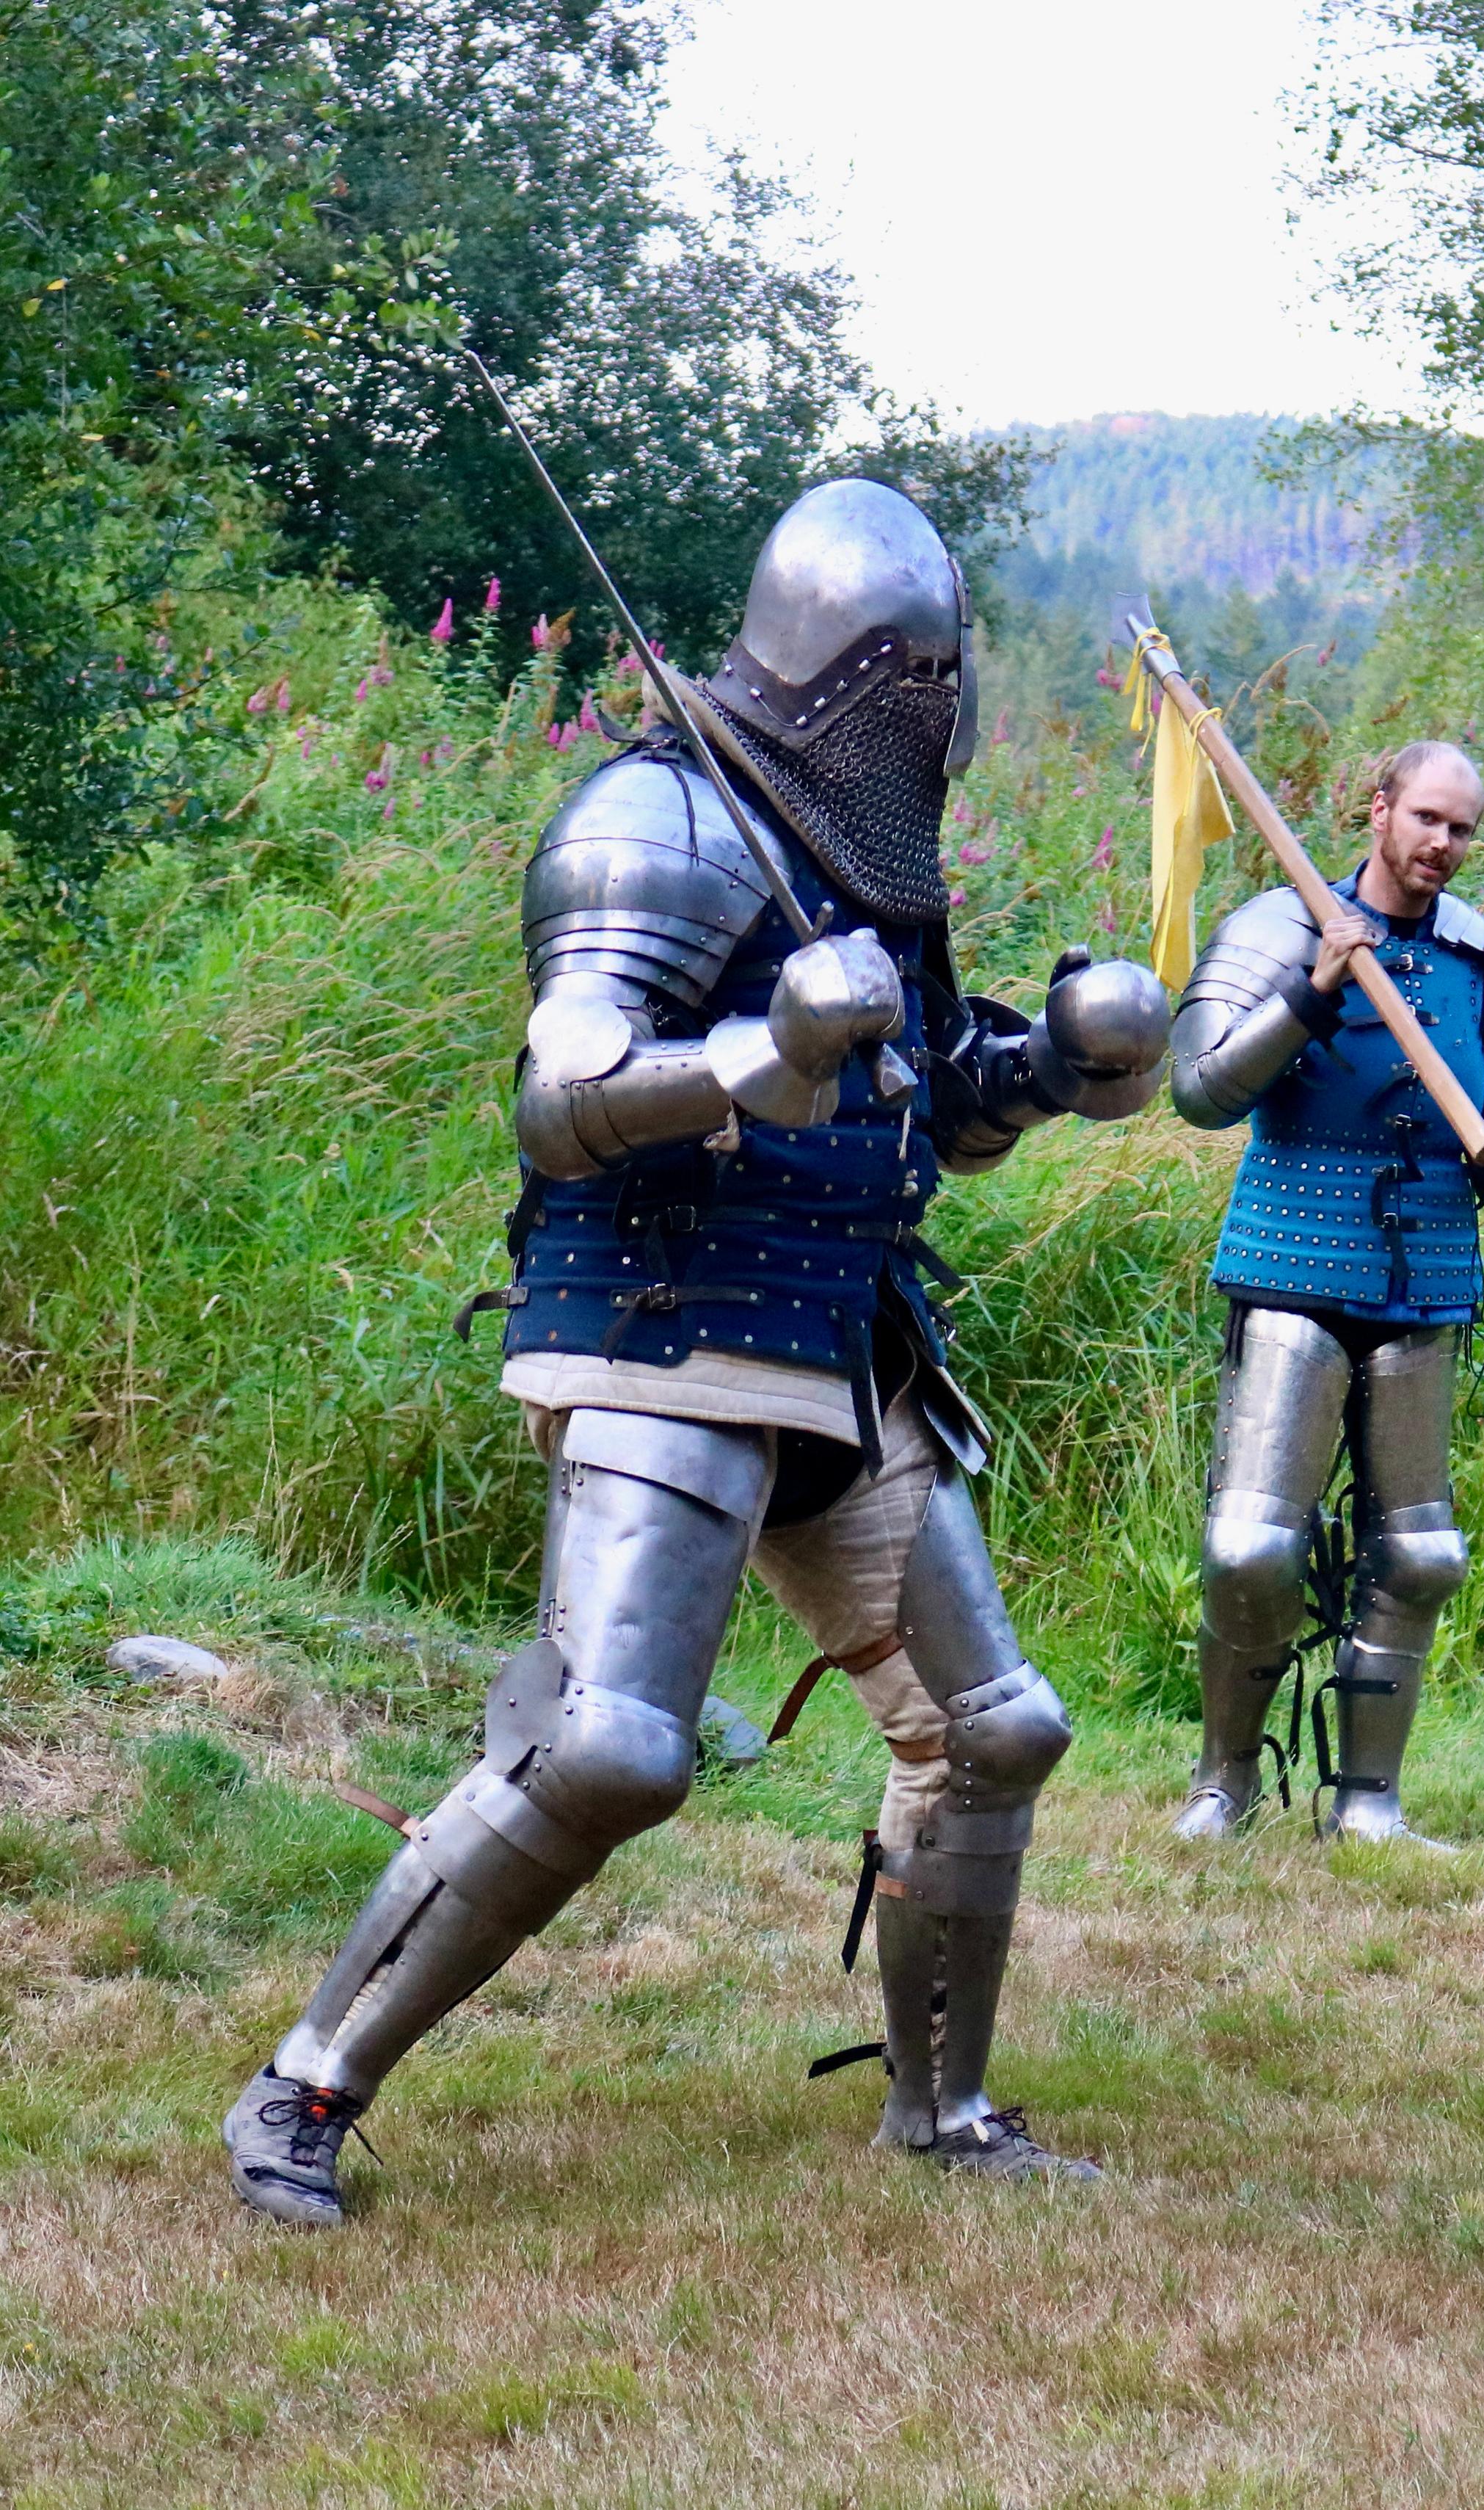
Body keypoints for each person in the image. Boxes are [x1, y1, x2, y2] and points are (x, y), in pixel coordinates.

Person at [224, 478, 1171, 2226]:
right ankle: (305, 2085)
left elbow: (917, 1099)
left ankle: (942, 2113)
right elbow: (562, 1098)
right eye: (916, 679)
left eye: (946, 679)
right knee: (609, 1752)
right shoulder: (653, 819)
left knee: (995, 1728)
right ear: (847, 668)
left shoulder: (867, 859)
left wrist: (1048, 1069)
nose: (939, 712)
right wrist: (762, 1053)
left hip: (843, 1344)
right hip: (665, 1328)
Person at [1162, 743, 1484, 1847]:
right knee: (1252, 1549)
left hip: (1427, 1269)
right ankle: (1223, 1787)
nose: (1443, 843)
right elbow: (1200, 1089)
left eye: (1461, 827)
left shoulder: (1478, 953)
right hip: (1294, 1259)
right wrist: (1316, 987)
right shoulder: (1277, 928)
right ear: (1378, 810)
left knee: (1420, 1554)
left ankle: (1370, 1804)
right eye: (1426, 817)